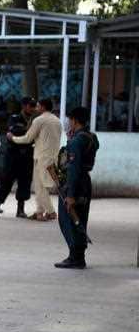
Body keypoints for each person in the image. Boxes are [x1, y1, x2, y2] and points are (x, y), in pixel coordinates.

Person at [55, 107, 98, 269]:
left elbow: (73, 168)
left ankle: (75, 257)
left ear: (74, 120)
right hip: (85, 183)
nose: (68, 122)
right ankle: (79, 255)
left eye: (69, 119)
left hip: (74, 183)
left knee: (68, 219)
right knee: (80, 219)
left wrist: (70, 194)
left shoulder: (76, 141)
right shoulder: (92, 137)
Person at [7, 98, 62, 221]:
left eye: (37, 106)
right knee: (43, 186)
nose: (35, 108)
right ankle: (39, 212)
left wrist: (13, 138)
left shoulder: (39, 120)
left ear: (42, 107)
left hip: (41, 157)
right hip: (53, 157)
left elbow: (28, 138)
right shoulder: (57, 121)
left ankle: (51, 212)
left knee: (39, 187)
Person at [0, 97, 36, 218]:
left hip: (27, 156)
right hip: (13, 156)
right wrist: (28, 132)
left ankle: (20, 209)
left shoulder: (35, 120)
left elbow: (29, 135)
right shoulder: (14, 118)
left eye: (34, 106)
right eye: (30, 105)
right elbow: (14, 131)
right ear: (24, 106)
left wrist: (25, 133)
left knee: (25, 183)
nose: (33, 108)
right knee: (5, 182)